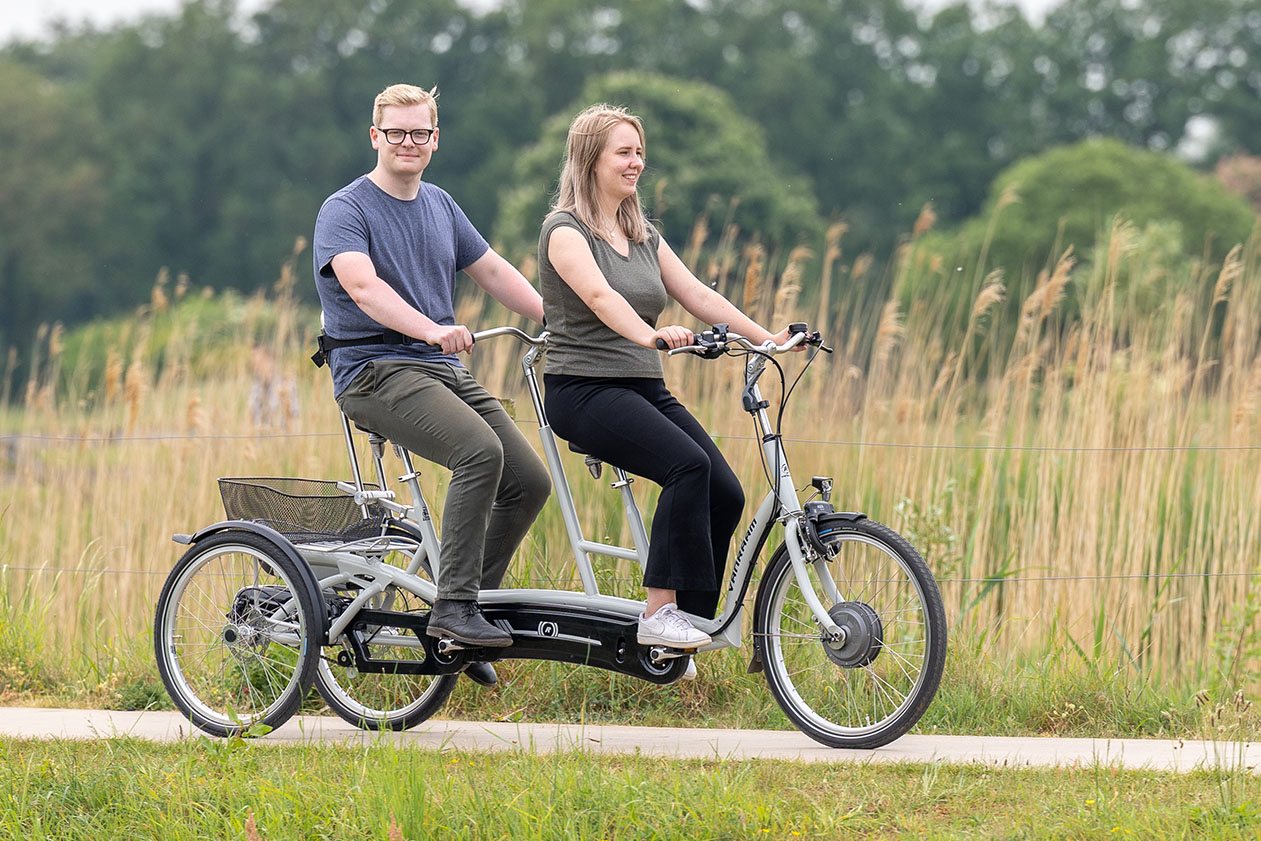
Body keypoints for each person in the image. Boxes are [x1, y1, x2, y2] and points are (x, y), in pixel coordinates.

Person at [312, 83, 551, 681]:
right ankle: (453, 609)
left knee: (528, 481)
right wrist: (430, 329)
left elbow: (492, 269)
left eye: (420, 133)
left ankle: (467, 614)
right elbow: (363, 288)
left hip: (438, 368)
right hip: (374, 370)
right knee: (479, 452)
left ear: (435, 139)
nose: (408, 143)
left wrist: (561, 318)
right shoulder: (345, 209)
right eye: (397, 132)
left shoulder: (441, 205)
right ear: (376, 137)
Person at [538, 104, 797, 649]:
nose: (636, 164)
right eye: (624, 153)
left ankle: (689, 625)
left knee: (724, 491)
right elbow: (598, 296)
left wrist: (766, 338)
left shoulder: (642, 234)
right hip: (583, 389)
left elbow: (698, 294)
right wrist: (650, 336)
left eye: (640, 154)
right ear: (590, 160)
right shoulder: (564, 231)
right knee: (687, 466)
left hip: (642, 387)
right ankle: (659, 612)